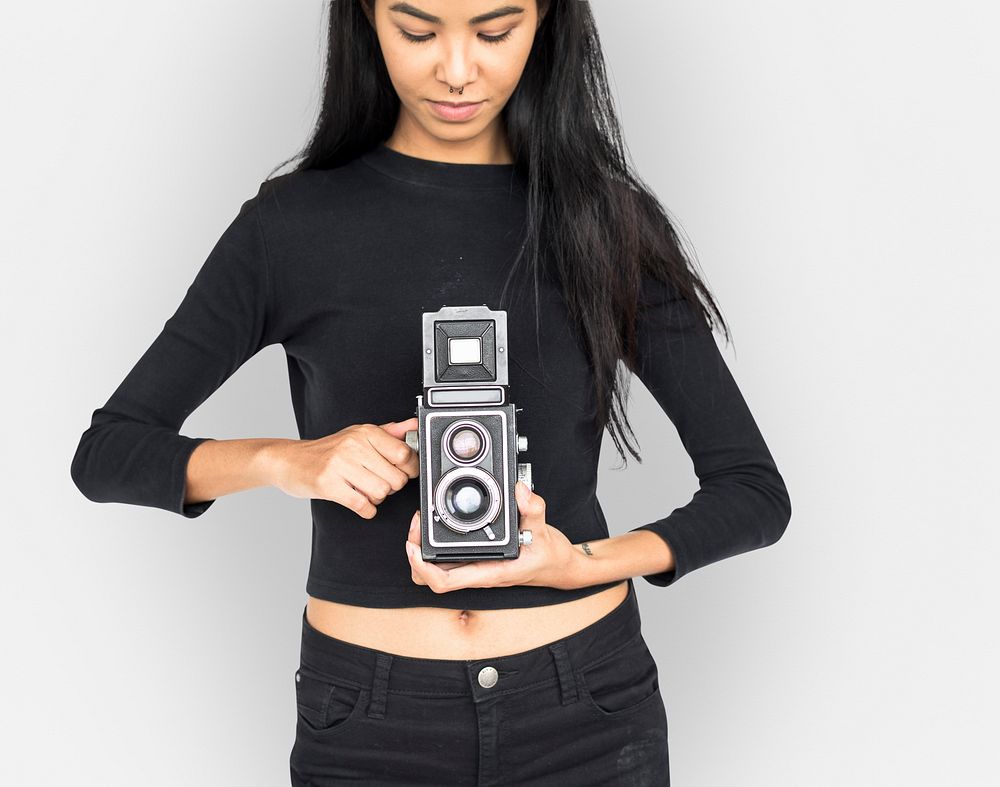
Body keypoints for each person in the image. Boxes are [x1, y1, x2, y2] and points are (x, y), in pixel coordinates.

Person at [70, 1, 792, 784]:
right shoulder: (292, 226)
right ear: (367, 24)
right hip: (369, 721)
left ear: (546, 22)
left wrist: (581, 563)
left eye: (494, 31)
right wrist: (289, 461)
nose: (455, 69)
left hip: (587, 707)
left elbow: (753, 492)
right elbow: (108, 452)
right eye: (417, 32)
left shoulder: (605, 221)